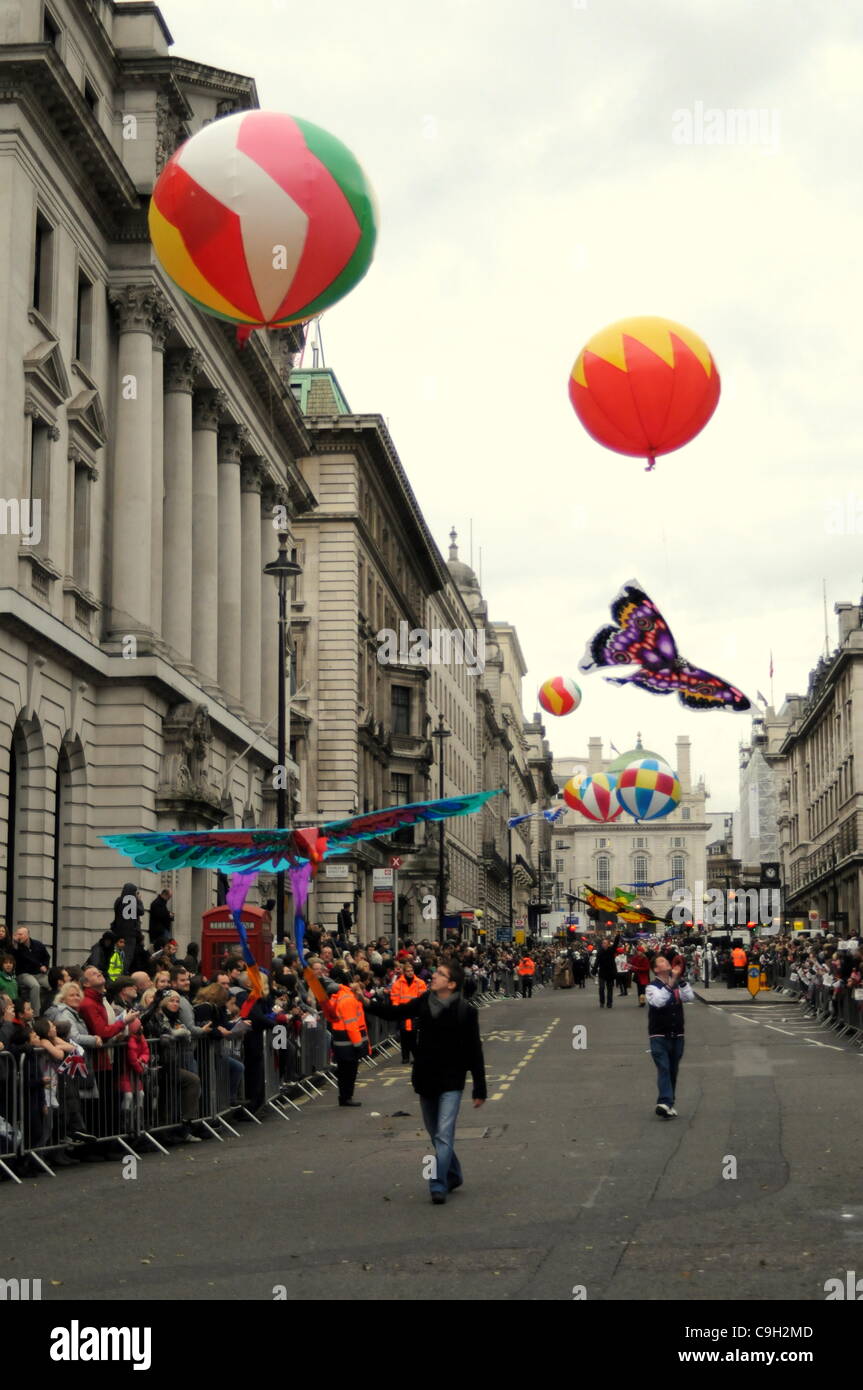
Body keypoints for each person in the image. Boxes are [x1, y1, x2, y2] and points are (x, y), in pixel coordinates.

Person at [366, 960, 486, 1205]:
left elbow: (475, 1050)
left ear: (451, 984)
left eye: (440, 974)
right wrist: (367, 1003)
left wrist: (479, 1086)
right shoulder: (423, 1002)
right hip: (426, 1078)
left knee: (443, 1135)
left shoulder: (466, 1011)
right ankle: (453, 1175)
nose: (434, 976)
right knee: (435, 1134)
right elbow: (395, 1012)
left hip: (452, 1080)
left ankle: (437, 1183)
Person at [645, 955, 694, 1118]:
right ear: (656, 969)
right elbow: (659, 1002)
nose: (666, 962)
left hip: (677, 1034)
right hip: (658, 1035)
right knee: (664, 1067)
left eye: (666, 960)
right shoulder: (651, 988)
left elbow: (689, 997)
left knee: (673, 1070)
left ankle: (668, 1104)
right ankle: (665, 1101)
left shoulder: (677, 983)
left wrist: (679, 979)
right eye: (661, 961)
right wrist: (671, 982)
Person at [322, 967, 369, 1107]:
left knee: (344, 1071)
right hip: (348, 1042)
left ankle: (344, 1096)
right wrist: (358, 1044)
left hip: (341, 1040)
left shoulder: (340, 996)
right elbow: (351, 1024)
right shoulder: (348, 1000)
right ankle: (346, 1097)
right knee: (349, 1071)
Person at [390, 958, 427, 1063]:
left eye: (411, 971)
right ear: (404, 972)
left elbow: (422, 998)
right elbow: (395, 999)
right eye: (408, 971)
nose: (410, 973)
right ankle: (405, 1057)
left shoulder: (420, 983)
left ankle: (416, 1057)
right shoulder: (398, 984)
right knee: (404, 1036)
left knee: (413, 1035)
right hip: (403, 1012)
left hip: (415, 1013)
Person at [11, 926, 51, 1013]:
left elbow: (47, 956)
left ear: (27, 935)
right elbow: (17, 956)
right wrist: (15, 944)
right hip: (23, 974)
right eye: (17, 934)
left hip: (38, 973)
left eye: (20, 934)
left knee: (51, 985)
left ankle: (49, 1009)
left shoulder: (38, 944)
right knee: (35, 986)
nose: (18, 936)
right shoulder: (17, 947)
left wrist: (45, 966)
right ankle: (36, 1013)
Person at [592, 933, 621, 1008]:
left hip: (610, 973)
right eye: (602, 943)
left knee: (610, 989)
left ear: (608, 944)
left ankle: (609, 1003)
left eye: (605, 943)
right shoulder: (600, 952)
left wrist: (617, 936)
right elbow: (597, 962)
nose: (603, 944)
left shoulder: (611, 950)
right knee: (601, 988)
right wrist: (594, 970)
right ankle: (602, 1002)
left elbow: (615, 944)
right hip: (602, 973)